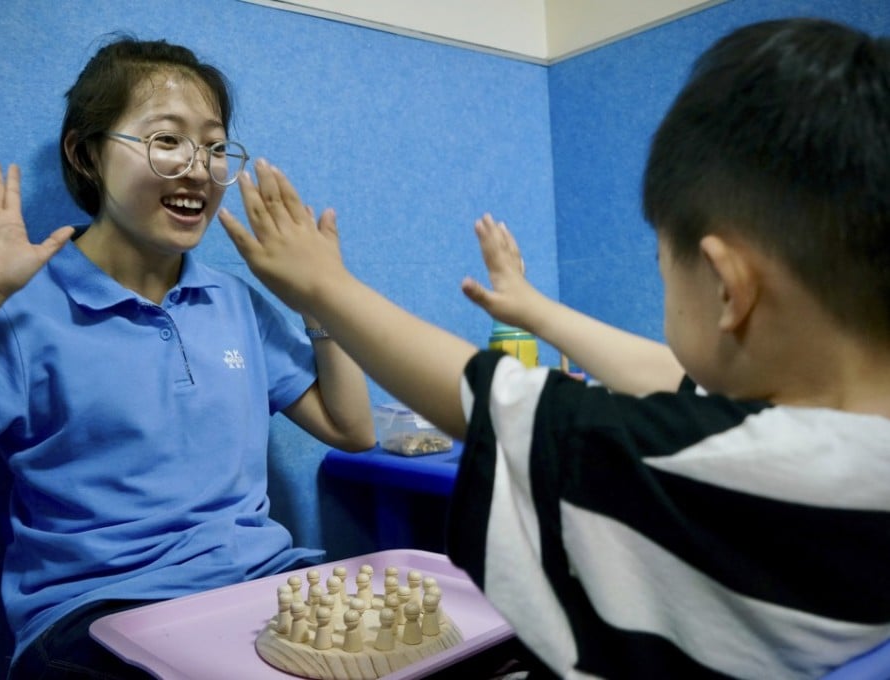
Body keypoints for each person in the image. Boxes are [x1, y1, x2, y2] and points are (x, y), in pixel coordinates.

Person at [217, 17, 890, 679]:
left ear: (725, 286)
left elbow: (492, 401)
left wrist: (328, 288)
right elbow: (676, 381)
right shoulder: (849, 444)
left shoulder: (727, 468)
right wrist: (535, 309)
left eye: (662, 263)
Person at [0, 36, 375, 678]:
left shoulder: (234, 302)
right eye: (167, 140)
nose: (198, 168)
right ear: (86, 154)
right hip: (96, 618)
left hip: (263, 589)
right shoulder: (25, 310)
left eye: (216, 147)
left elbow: (351, 428)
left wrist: (321, 301)